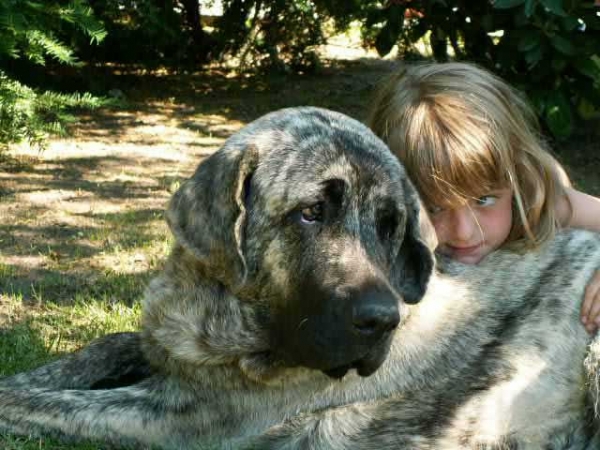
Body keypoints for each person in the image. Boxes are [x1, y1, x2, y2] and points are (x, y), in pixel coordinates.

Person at [367, 62, 600, 333]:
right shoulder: (378, 207)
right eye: (435, 207)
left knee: (554, 180)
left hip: (538, 176)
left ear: (514, 183)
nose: (463, 233)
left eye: (483, 200)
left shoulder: (537, 198)